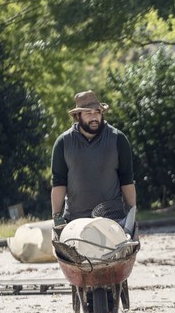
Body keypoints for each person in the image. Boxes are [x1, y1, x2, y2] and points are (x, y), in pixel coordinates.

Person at [51, 90, 136, 227]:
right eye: (88, 113)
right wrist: (56, 217)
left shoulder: (118, 139)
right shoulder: (63, 142)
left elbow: (127, 180)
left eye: (97, 112)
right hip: (75, 221)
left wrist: (132, 215)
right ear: (78, 116)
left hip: (112, 219)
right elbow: (59, 183)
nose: (94, 117)